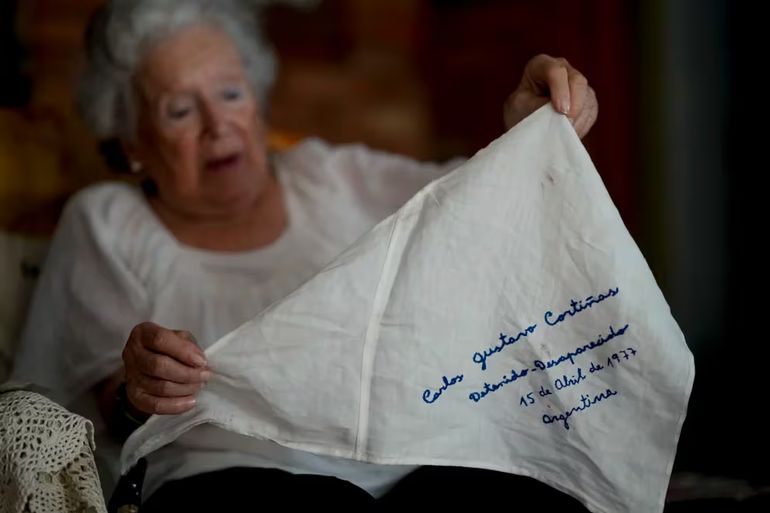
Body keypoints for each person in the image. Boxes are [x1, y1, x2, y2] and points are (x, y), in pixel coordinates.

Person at [12, 0, 598, 509]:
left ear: (259, 103)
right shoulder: (106, 222)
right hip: (225, 484)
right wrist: (140, 392)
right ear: (132, 140)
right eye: (180, 111)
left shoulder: (330, 177)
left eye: (231, 93)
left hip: (399, 466)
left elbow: (474, 201)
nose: (220, 126)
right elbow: (100, 417)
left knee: (531, 488)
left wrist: (529, 130)